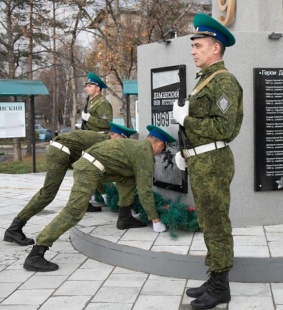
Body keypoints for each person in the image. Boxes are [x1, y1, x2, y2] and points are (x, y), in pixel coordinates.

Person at [23, 125, 176, 272]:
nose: (161, 152)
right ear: (159, 144)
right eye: (163, 148)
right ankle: (37, 252)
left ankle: (125, 217)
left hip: (91, 166)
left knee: (127, 177)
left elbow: (121, 172)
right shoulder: (144, 153)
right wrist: (155, 220)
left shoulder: (136, 146)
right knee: (73, 211)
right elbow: (144, 191)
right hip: (89, 170)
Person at [173, 13, 243, 309]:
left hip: (214, 162)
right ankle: (214, 276)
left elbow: (224, 129)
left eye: (198, 45)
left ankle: (221, 287)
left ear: (215, 47)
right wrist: (185, 152)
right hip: (203, 161)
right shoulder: (207, 80)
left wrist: (186, 120)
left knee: (216, 223)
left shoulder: (223, 81)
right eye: (193, 46)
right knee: (208, 221)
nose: (193, 51)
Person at [3, 122, 137, 247]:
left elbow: (93, 171)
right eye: (122, 139)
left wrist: (103, 192)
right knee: (47, 193)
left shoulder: (101, 138)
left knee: (56, 191)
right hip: (60, 152)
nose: (122, 144)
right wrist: (105, 193)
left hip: (64, 152)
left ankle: (14, 228)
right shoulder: (104, 142)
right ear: (114, 135)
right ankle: (15, 228)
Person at [81, 71, 114, 211]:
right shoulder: (91, 102)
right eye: (87, 85)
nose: (86, 88)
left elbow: (107, 124)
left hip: (98, 140)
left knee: (96, 170)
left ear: (97, 88)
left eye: (89, 86)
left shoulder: (103, 103)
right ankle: (100, 195)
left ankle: (107, 195)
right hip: (90, 139)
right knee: (90, 169)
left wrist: (89, 118)